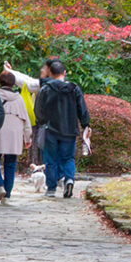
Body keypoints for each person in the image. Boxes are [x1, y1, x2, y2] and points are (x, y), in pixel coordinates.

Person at [34, 60, 89, 199]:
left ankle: (51, 188)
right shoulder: (74, 88)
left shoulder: (45, 89)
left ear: (50, 74)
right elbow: (82, 108)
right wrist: (85, 124)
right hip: (69, 129)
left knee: (50, 159)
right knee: (68, 158)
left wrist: (41, 122)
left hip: (50, 129)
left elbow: (38, 110)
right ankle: (69, 179)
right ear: (64, 73)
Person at [0, 71, 31, 201]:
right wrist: (27, 138)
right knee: (10, 164)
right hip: (15, 133)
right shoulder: (18, 98)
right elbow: (25, 120)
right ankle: (8, 193)